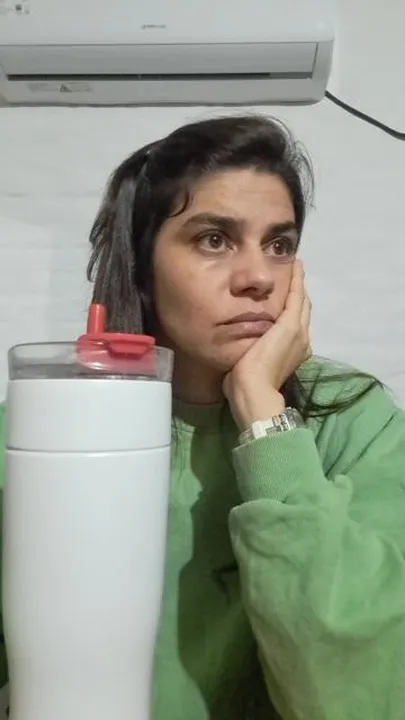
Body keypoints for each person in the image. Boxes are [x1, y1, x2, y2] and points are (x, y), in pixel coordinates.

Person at [0, 114, 404, 719]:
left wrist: (266, 420)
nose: (258, 278)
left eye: (280, 245)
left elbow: (363, 693)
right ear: (143, 265)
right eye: (214, 239)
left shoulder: (356, 422)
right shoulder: (44, 426)